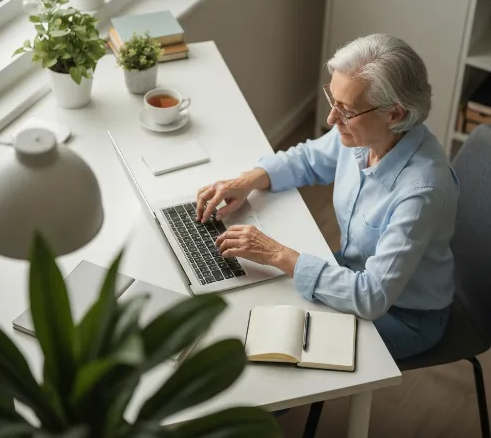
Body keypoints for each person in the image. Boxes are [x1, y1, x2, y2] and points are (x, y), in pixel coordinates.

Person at [196, 34, 459, 361]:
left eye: (346, 110)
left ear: (394, 114)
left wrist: (277, 253)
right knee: (259, 306)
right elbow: (308, 160)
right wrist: (247, 180)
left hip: (403, 315)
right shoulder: (366, 132)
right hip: (351, 270)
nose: (332, 119)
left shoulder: (421, 191)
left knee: (277, 352)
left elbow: (371, 297)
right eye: (332, 101)